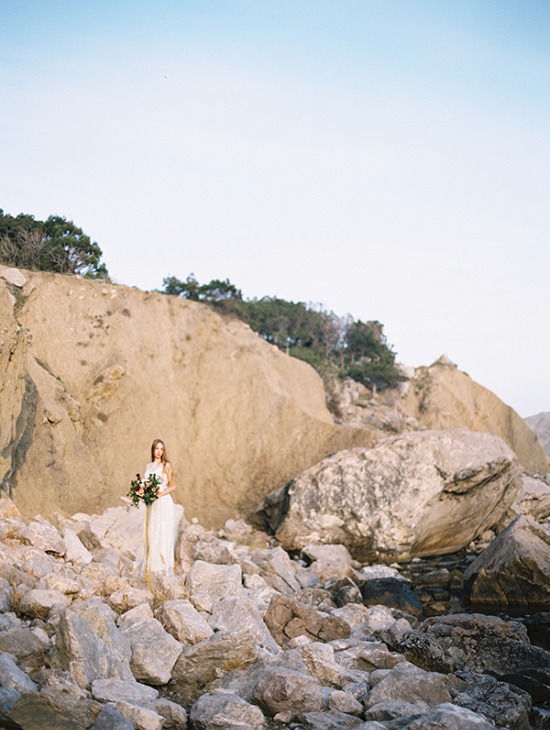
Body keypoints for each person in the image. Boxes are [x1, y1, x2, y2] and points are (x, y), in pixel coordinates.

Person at [143, 438, 176, 578]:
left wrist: (160, 494)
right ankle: (152, 567)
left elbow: (173, 485)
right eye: (157, 448)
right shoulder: (148, 466)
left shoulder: (166, 465)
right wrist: (142, 490)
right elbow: (146, 484)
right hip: (152, 503)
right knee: (152, 531)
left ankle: (162, 568)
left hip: (163, 502)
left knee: (162, 532)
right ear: (153, 449)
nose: (159, 451)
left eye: (161, 449)